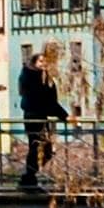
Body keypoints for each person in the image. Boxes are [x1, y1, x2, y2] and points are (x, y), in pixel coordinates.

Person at [18, 51, 65, 190]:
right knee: (36, 147)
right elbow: (45, 100)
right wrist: (65, 116)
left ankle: (29, 176)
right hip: (32, 116)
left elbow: (51, 101)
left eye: (45, 62)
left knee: (45, 149)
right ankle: (29, 177)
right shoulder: (30, 77)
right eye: (40, 62)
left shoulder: (45, 78)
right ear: (34, 63)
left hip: (41, 116)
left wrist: (62, 114)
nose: (44, 64)